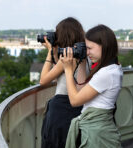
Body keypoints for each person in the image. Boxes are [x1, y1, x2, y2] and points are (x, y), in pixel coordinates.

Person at [60, 24, 123, 148]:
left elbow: (74, 100)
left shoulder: (107, 73)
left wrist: (68, 70)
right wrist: (82, 63)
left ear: (104, 46)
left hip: (98, 134)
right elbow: (81, 90)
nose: (87, 52)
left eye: (90, 48)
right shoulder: (111, 68)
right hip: (97, 130)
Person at [40, 17, 85, 148]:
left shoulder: (66, 59)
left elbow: (43, 80)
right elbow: (59, 76)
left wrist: (49, 53)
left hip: (61, 109)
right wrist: (55, 53)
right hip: (79, 108)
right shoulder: (84, 55)